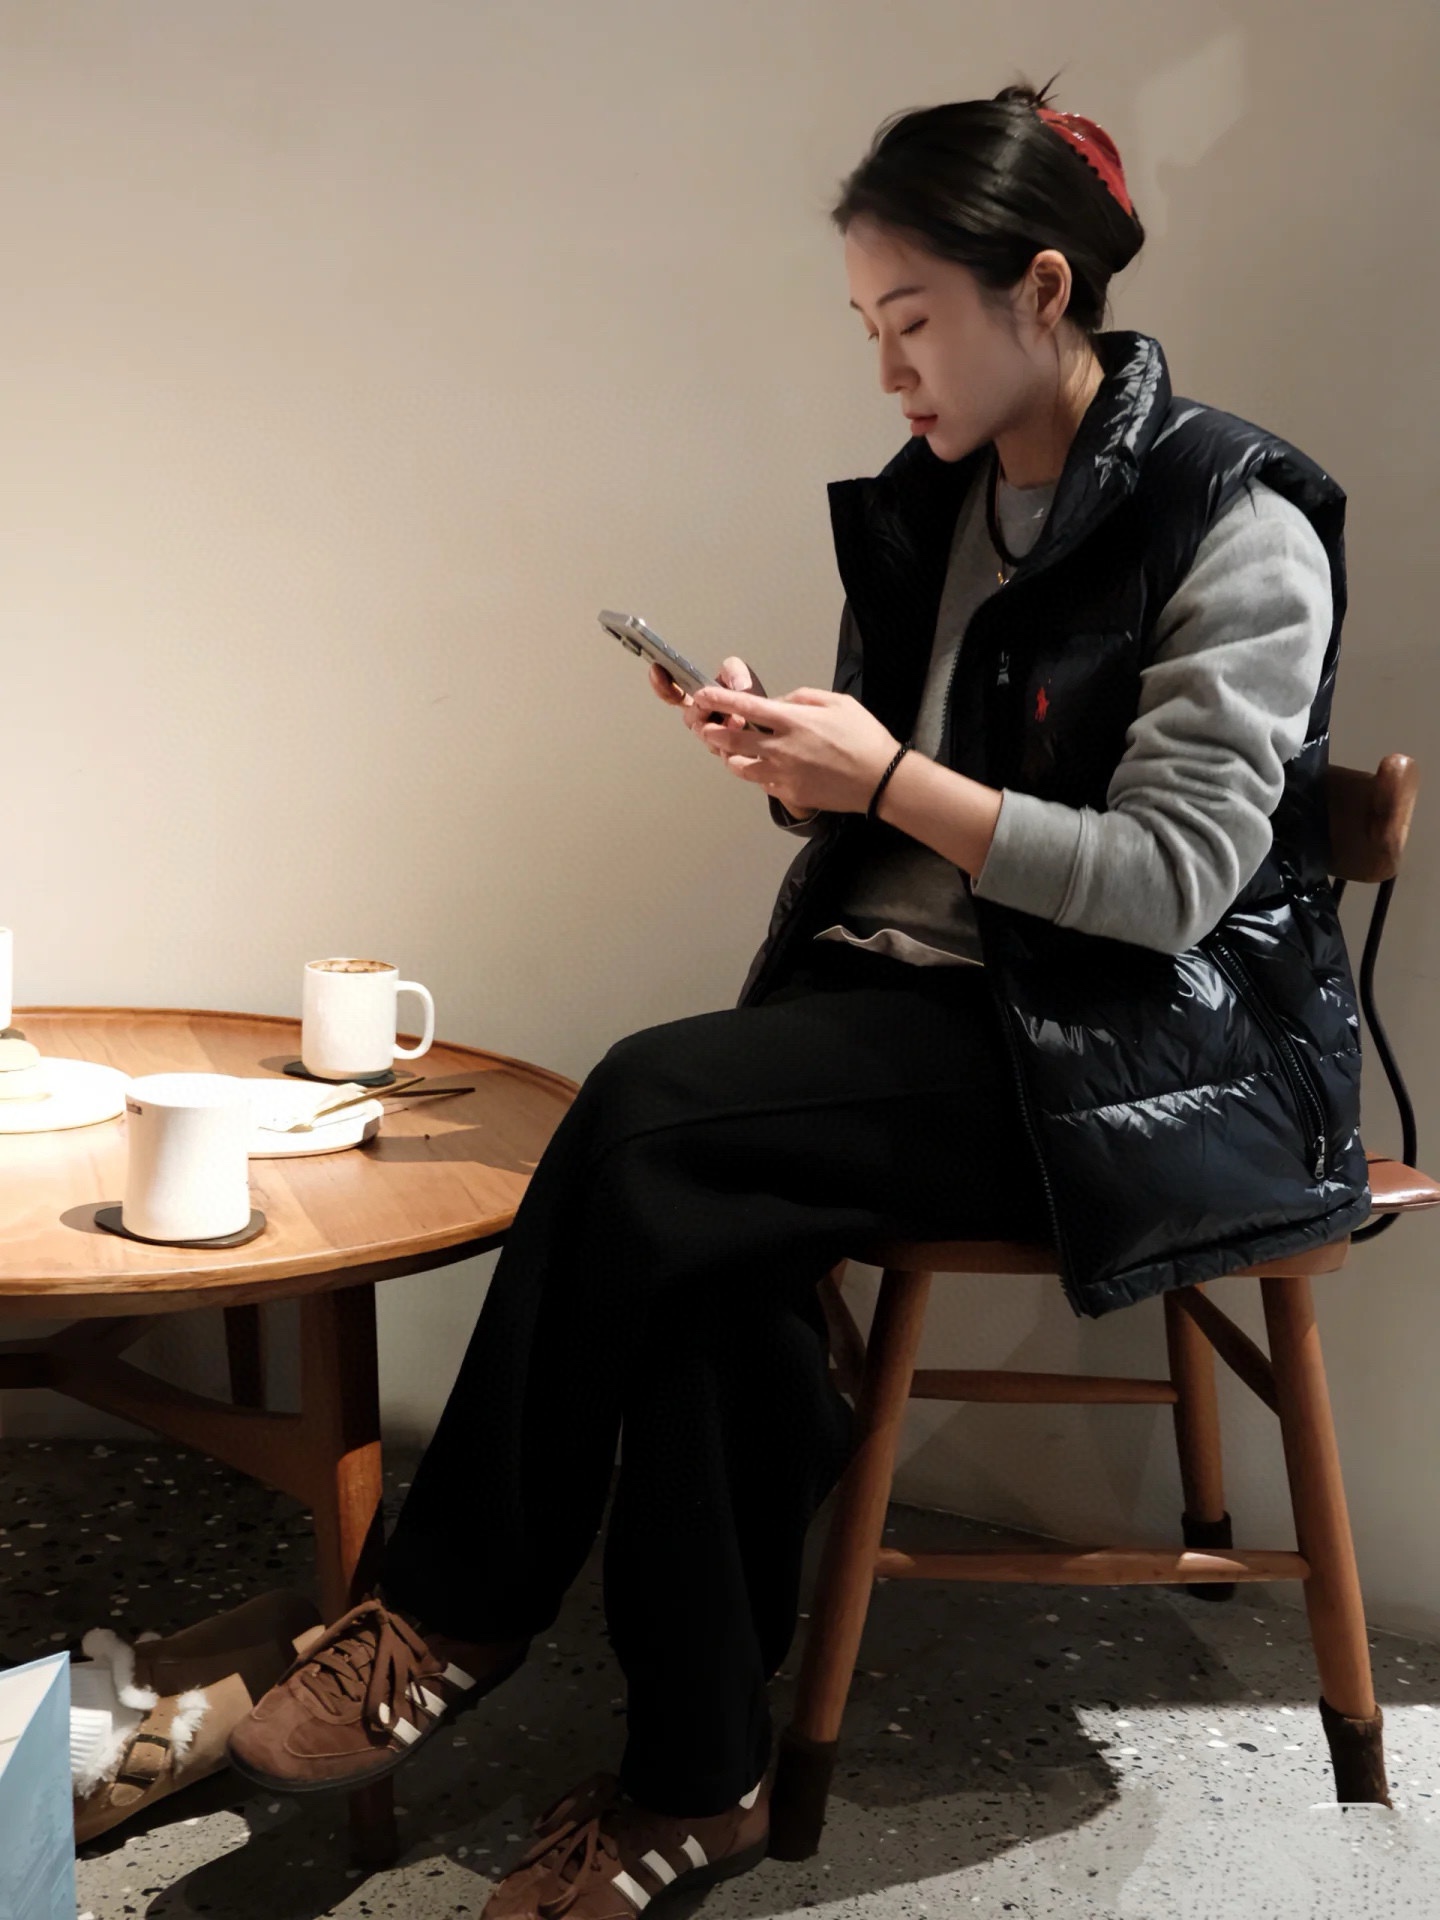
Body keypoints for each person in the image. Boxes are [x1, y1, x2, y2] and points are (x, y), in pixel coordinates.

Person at [228, 76, 1370, 1917]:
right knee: (705, 1264)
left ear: (1043, 289)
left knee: (647, 1105)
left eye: (912, 320)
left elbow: (1170, 886)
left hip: (1140, 1058)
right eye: (866, 327)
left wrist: (887, 779)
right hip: (918, 1016)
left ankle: (449, 1612)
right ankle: (699, 1789)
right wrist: (800, 768)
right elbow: (917, 817)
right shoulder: (939, 504)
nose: (887, 368)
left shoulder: (1234, 516)